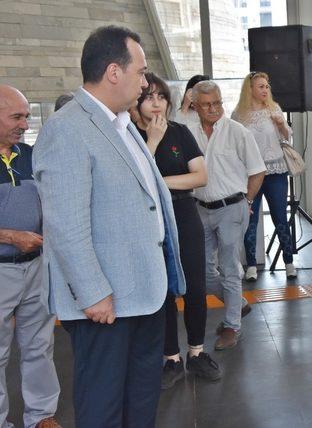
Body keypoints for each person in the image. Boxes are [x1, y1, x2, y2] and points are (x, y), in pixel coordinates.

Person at [32, 26, 186, 427]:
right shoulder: (67, 128)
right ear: (113, 71)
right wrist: (94, 292)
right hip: (106, 302)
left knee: (140, 401)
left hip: (142, 294)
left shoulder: (122, 125)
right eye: (141, 70)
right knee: (103, 407)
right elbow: (66, 224)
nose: (146, 81)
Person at [135, 72, 222, 389]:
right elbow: (134, 181)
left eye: (160, 97)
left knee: (196, 285)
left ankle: (197, 352)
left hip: (183, 212)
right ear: (137, 101)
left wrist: (159, 184)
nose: (156, 103)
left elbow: (199, 177)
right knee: (163, 290)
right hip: (149, 218)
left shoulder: (181, 132)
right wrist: (153, 143)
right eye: (149, 97)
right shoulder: (130, 135)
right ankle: (171, 357)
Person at [188, 80, 266, 350]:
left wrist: (247, 201)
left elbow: (258, 171)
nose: (214, 109)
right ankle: (239, 304)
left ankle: (232, 326)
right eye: (207, 104)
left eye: (218, 103)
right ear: (195, 105)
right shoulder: (189, 133)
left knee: (231, 267)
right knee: (203, 271)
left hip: (232, 208)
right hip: (200, 209)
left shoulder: (237, 132)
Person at [0, 85, 60, 428]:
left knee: (39, 345)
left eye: (25, 116)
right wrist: (10, 237)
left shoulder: (31, 155)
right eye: (16, 117)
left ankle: (41, 415)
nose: (25, 124)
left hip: (36, 266)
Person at [232, 71, 297, 281]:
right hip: (251, 173)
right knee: (250, 219)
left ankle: (289, 262)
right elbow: (234, 144)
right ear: (249, 89)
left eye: (266, 86)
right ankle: (251, 265)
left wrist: (280, 124)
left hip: (276, 171)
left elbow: (288, 136)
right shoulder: (238, 115)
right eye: (260, 86)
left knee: (280, 216)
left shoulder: (274, 108)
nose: (265, 90)